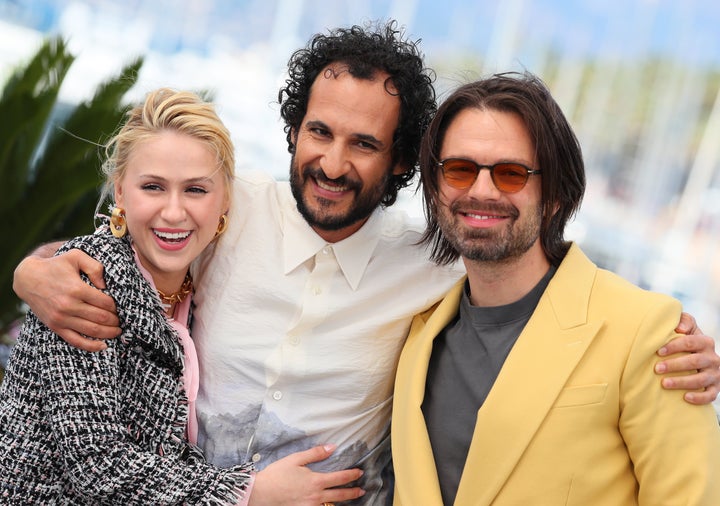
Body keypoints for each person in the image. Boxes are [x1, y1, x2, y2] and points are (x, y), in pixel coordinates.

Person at [11, 22, 720, 505]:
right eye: (318, 132)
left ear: (404, 162)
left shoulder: (434, 268)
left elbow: (538, 276)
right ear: (293, 133)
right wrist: (34, 271)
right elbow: (128, 241)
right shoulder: (226, 210)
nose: (332, 162)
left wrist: (673, 339)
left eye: (364, 144)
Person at [0, 88, 364, 505]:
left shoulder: (192, 286)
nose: (173, 212)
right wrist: (251, 492)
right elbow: (97, 464)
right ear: (120, 192)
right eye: (153, 187)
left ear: (226, 199)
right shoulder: (87, 280)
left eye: (195, 190)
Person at [391, 72, 720, 506]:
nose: (481, 190)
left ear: (556, 196)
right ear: (435, 189)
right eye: (459, 169)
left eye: (511, 174)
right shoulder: (413, 325)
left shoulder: (650, 333)